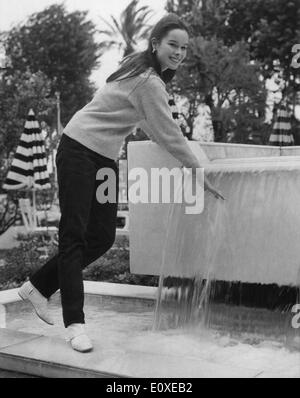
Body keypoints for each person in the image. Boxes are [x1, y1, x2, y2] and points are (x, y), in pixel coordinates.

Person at [18, 13, 224, 353]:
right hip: (78, 150)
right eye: (173, 44)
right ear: (155, 43)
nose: (179, 53)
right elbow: (169, 134)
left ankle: (37, 286)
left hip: (105, 159)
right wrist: (198, 170)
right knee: (74, 235)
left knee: (101, 236)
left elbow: (155, 127)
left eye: (184, 48)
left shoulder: (144, 72)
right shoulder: (148, 81)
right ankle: (75, 325)